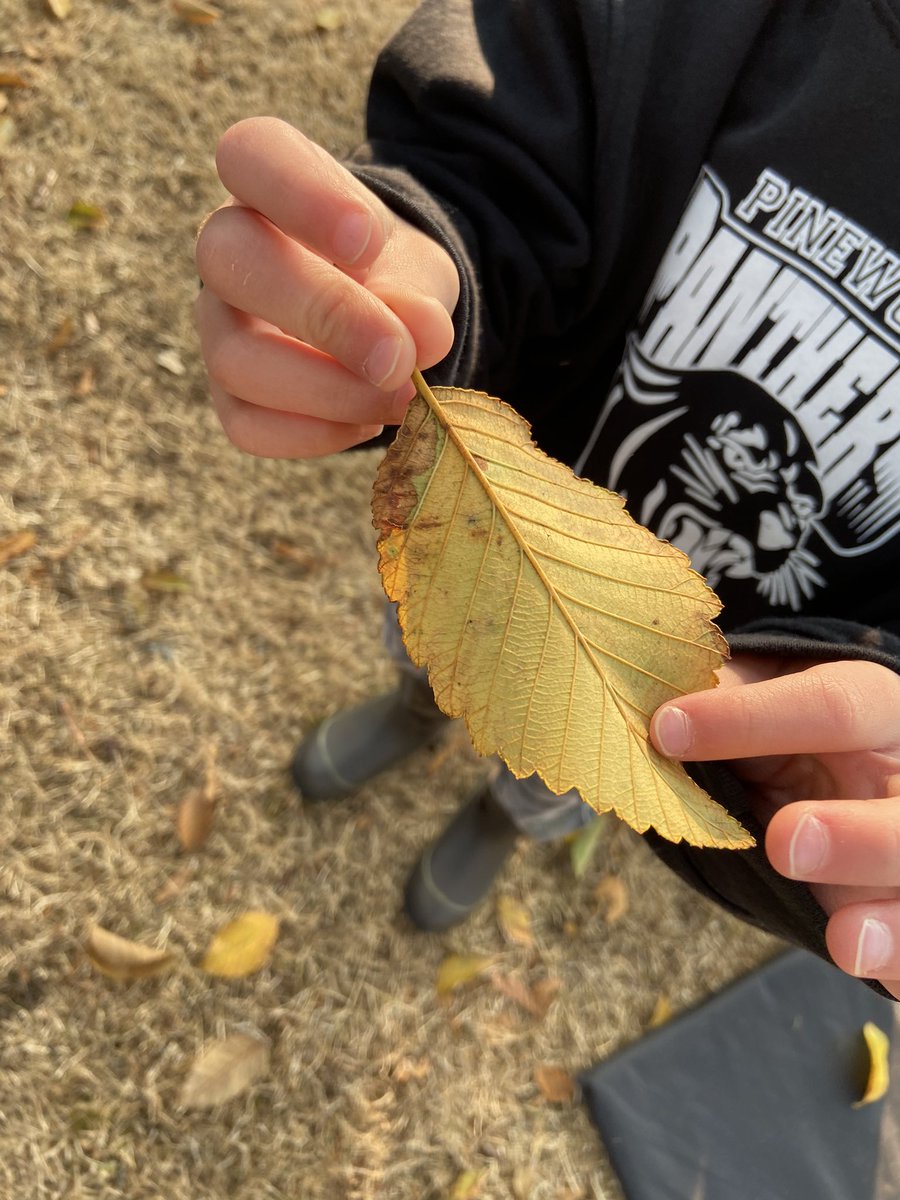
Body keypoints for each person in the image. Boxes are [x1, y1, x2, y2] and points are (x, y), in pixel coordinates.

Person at [195, 0, 900, 1000]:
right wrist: (429, 258)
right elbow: (514, 142)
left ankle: (504, 814)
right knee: (433, 652)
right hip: (473, 553)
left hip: (664, 706)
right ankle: (418, 706)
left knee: (552, 779)